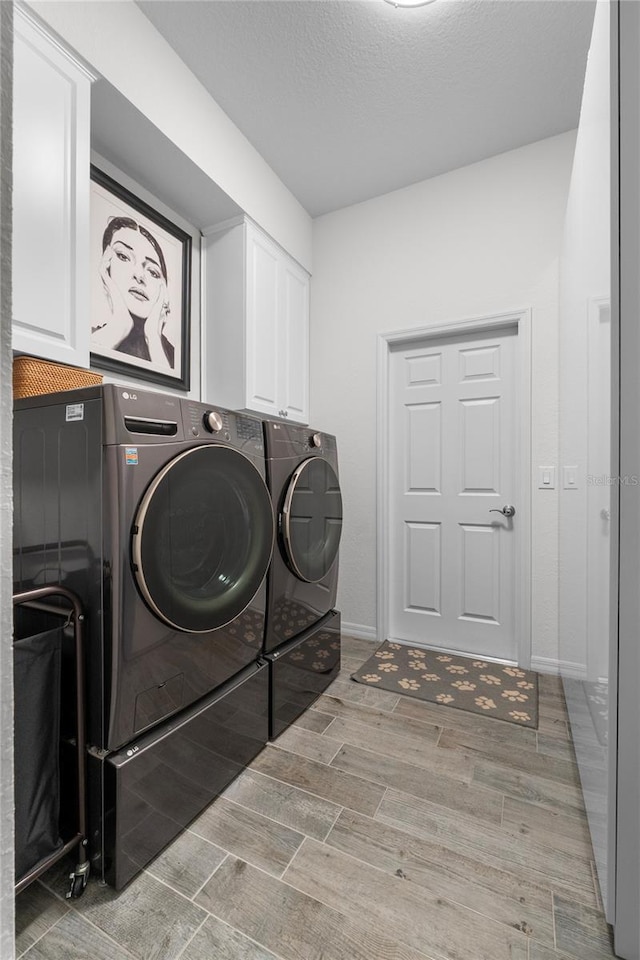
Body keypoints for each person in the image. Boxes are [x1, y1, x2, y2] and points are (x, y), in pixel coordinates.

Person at [92, 216, 175, 369]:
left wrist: (153, 339)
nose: (139, 275)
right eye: (123, 256)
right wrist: (119, 326)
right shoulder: (87, 339)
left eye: (153, 272)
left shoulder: (175, 359)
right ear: (106, 266)